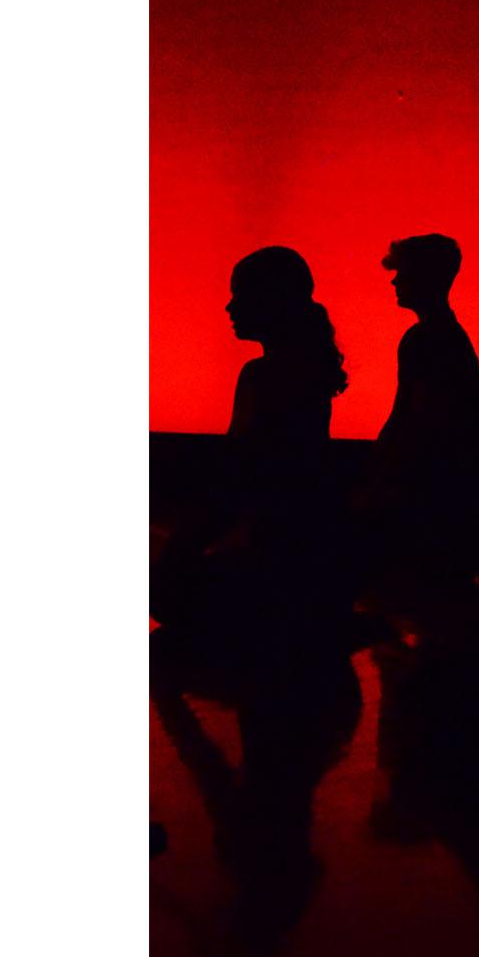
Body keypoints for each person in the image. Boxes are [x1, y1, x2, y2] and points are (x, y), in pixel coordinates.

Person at [150, 246, 352, 693]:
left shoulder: (263, 376)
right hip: (307, 564)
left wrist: (180, 550)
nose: (229, 306)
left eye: (239, 294)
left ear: (270, 300)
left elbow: (239, 480)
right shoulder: (300, 373)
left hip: (274, 568)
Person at [360, 234, 479, 635]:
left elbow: (413, 415)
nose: (394, 282)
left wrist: (381, 473)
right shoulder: (445, 335)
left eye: (401, 273)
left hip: (451, 472)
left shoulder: (425, 339)